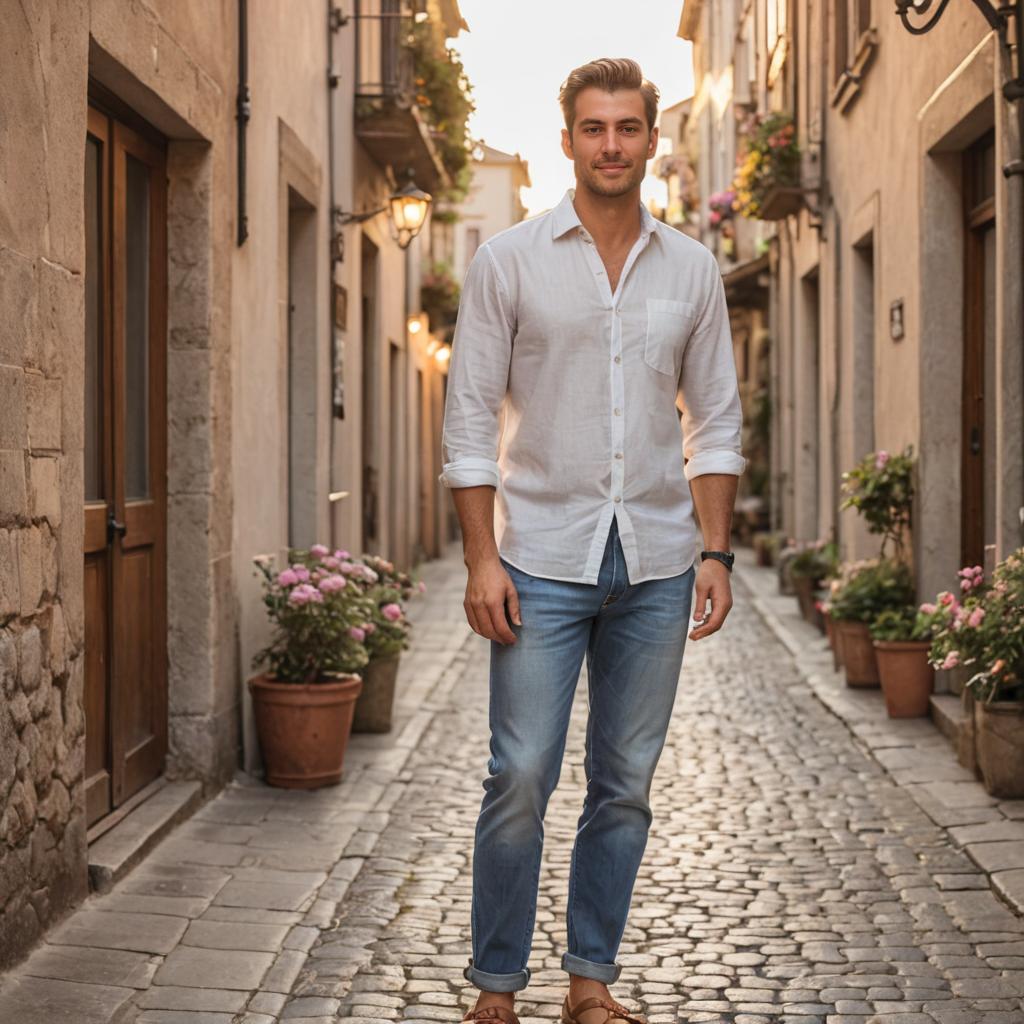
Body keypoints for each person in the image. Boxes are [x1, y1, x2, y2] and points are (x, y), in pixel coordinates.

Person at [439, 57, 746, 1024]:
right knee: (519, 773)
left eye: (627, 128)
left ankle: (589, 981)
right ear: (566, 138)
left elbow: (719, 422)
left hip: (657, 563)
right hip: (538, 557)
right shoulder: (510, 261)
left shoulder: (694, 269)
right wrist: (482, 558)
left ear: (652, 139)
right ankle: (496, 985)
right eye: (593, 128)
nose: (611, 144)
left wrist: (715, 550)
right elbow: (469, 418)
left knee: (624, 786)